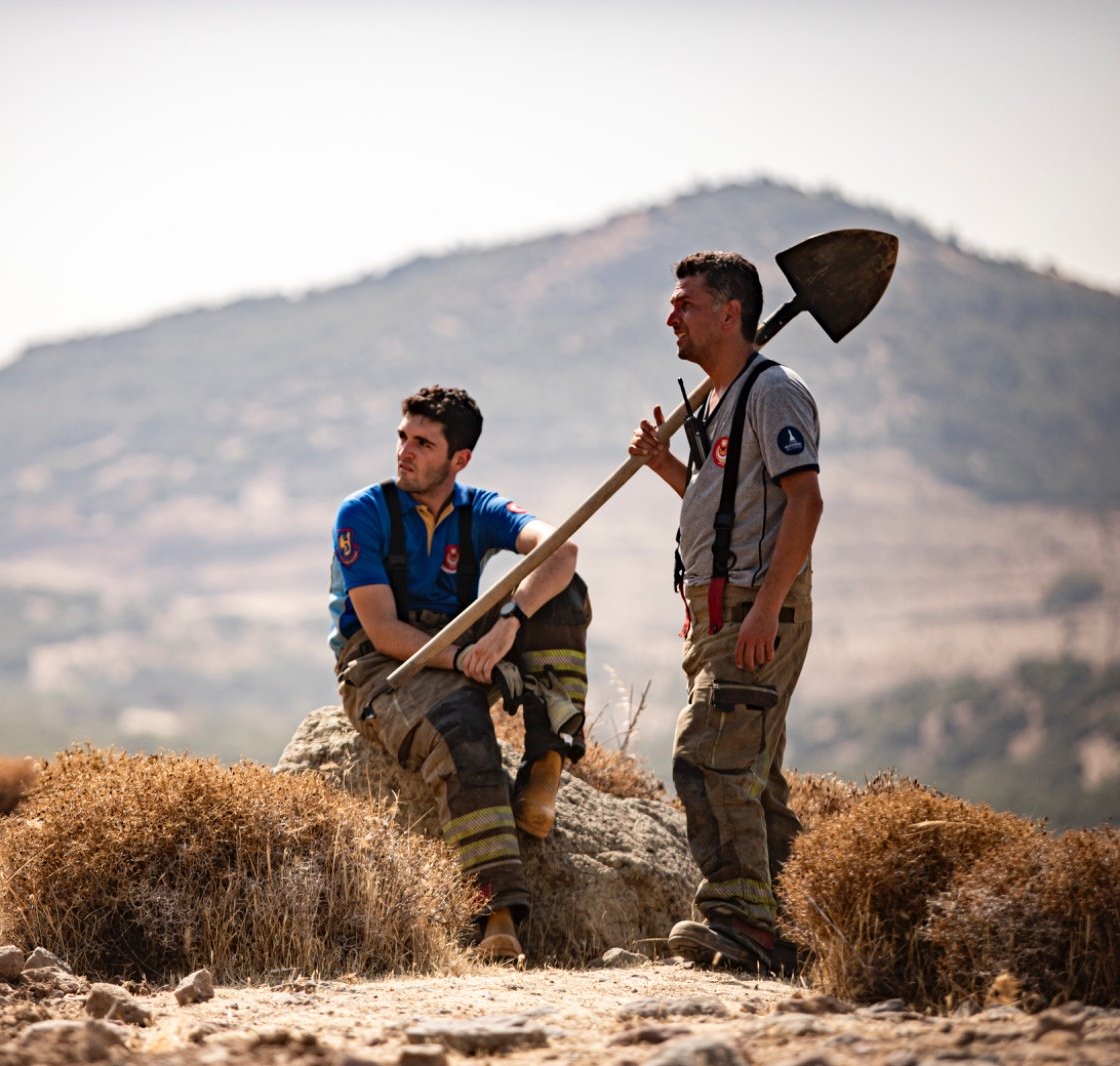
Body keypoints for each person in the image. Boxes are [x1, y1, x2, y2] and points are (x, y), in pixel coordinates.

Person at [330, 384, 591, 960]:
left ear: (460, 459)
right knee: (462, 726)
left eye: (423, 443)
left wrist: (509, 626)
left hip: (462, 641)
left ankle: (546, 765)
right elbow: (382, 631)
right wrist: (466, 662)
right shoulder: (363, 513)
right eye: (403, 437)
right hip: (381, 667)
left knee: (563, 593)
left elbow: (562, 550)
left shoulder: (480, 509)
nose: (405, 451)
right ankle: (498, 916)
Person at [628, 251, 823, 975]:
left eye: (686, 303)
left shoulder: (773, 392)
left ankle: (739, 919)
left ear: (730, 312)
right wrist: (666, 467)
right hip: (718, 618)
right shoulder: (719, 401)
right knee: (752, 775)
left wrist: (765, 609)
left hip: (752, 612)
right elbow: (728, 504)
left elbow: (806, 502)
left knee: (707, 757)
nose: (671, 317)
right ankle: (797, 928)